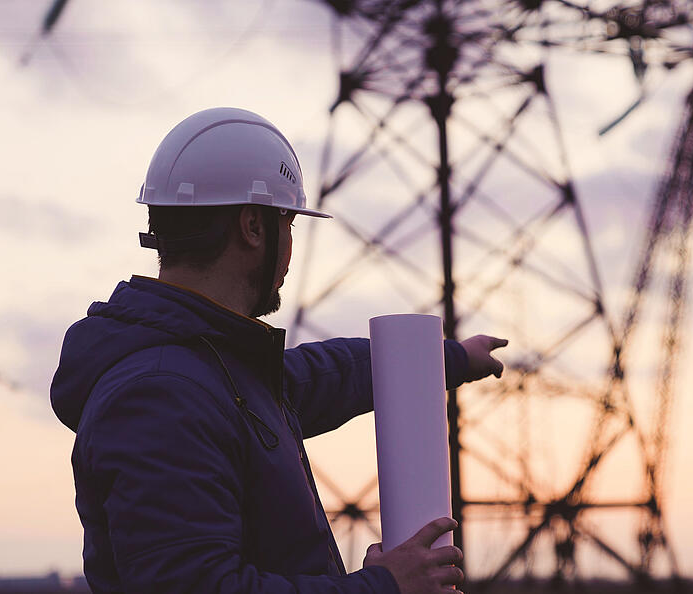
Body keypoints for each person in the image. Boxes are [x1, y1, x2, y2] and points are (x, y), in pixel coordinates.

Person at [50, 107, 508, 593]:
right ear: (252, 226)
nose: (288, 247)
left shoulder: (213, 368)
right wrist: (382, 587)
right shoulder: (162, 394)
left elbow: (325, 375)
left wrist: (447, 359)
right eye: (286, 223)